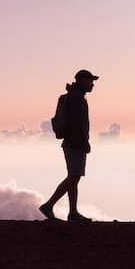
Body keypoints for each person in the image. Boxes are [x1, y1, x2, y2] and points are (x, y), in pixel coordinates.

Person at [39, 69, 99, 223]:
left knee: (74, 177)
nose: (92, 84)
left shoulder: (72, 97)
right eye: (90, 81)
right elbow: (78, 124)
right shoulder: (77, 99)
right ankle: (49, 205)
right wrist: (85, 142)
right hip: (75, 143)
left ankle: (73, 212)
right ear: (82, 81)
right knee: (74, 176)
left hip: (70, 142)